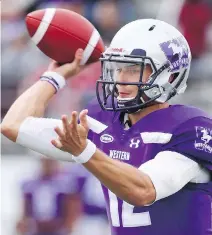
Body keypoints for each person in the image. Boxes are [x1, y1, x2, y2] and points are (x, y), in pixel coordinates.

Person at [1, 19, 212, 235]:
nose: (120, 79)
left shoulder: (191, 127)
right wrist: (54, 77)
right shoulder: (104, 121)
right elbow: (14, 125)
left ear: (171, 76)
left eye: (133, 69)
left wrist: (85, 151)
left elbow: (143, 190)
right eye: (117, 68)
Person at [16, 158, 80, 235]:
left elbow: (72, 205)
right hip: (36, 226)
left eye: (50, 163)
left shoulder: (64, 184)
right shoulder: (31, 184)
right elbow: (26, 206)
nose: (47, 166)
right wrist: (24, 222)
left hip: (57, 226)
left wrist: (69, 224)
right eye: (45, 163)